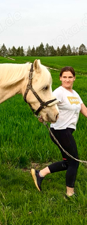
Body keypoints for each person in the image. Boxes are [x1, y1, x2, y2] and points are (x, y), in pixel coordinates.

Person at [31, 66, 87, 198]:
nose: (67, 79)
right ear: (60, 78)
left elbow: (84, 110)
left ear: (74, 78)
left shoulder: (75, 94)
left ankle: (40, 174)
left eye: (70, 77)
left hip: (67, 131)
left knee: (68, 162)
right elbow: (46, 105)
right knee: (74, 162)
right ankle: (70, 194)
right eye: (65, 77)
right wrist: (43, 116)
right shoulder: (58, 92)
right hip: (60, 131)